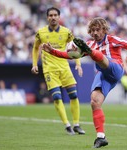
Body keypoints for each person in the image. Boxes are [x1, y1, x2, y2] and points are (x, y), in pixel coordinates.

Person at [42, 17, 127, 148]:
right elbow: (70, 56)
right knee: (95, 101)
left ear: (104, 30)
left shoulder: (112, 40)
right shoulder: (90, 43)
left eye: (98, 30)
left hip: (115, 68)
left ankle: (92, 54)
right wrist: (53, 51)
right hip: (102, 74)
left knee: (102, 61)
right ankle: (101, 137)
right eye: (93, 30)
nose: (95, 33)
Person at [31, 7, 85, 135]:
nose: (53, 17)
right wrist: (34, 64)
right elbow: (35, 48)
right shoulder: (41, 33)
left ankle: (76, 124)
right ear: (47, 17)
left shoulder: (67, 32)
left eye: (55, 15)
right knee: (56, 97)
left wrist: (78, 64)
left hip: (64, 67)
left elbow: (74, 48)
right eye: (50, 15)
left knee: (74, 95)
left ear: (59, 17)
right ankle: (67, 125)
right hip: (50, 69)